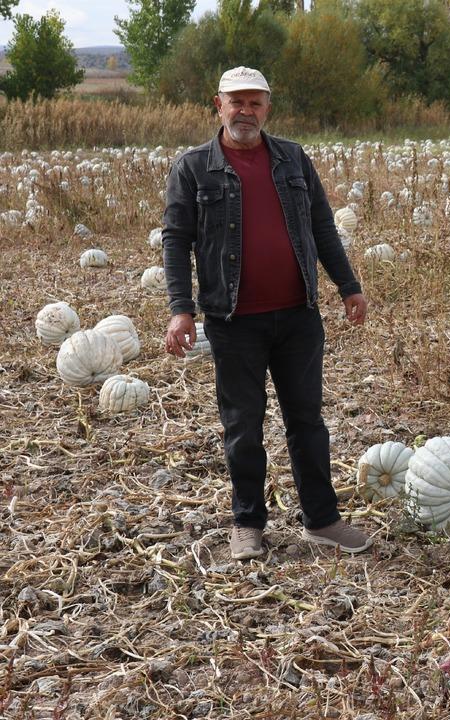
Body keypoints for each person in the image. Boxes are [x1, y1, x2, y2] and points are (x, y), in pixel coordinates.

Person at [161, 66, 372, 561]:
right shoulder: (193, 167)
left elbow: (322, 226)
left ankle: (322, 520)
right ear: (219, 105)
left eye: (255, 102)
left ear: (267, 108)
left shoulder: (293, 159)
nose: (246, 111)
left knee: (308, 422)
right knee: (243, 426)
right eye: (236, 102)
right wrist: (180, 309)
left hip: (298, 316)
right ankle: (248, 523)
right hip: (233, 320)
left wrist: (349, 285)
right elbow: (176, 240)